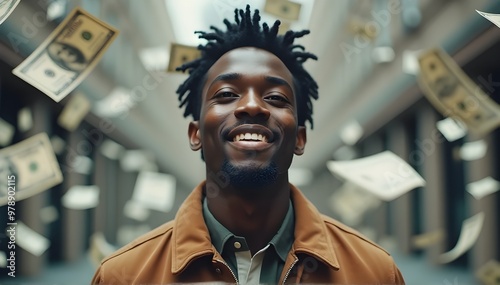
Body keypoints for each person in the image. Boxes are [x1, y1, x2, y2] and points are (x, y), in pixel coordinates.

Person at [91, 5, 405, 284]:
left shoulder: (375, 273)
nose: (253, 106)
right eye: (227, 94)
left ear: (299, 138)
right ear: (195, 134)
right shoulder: (124, 276)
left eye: (276, 97)